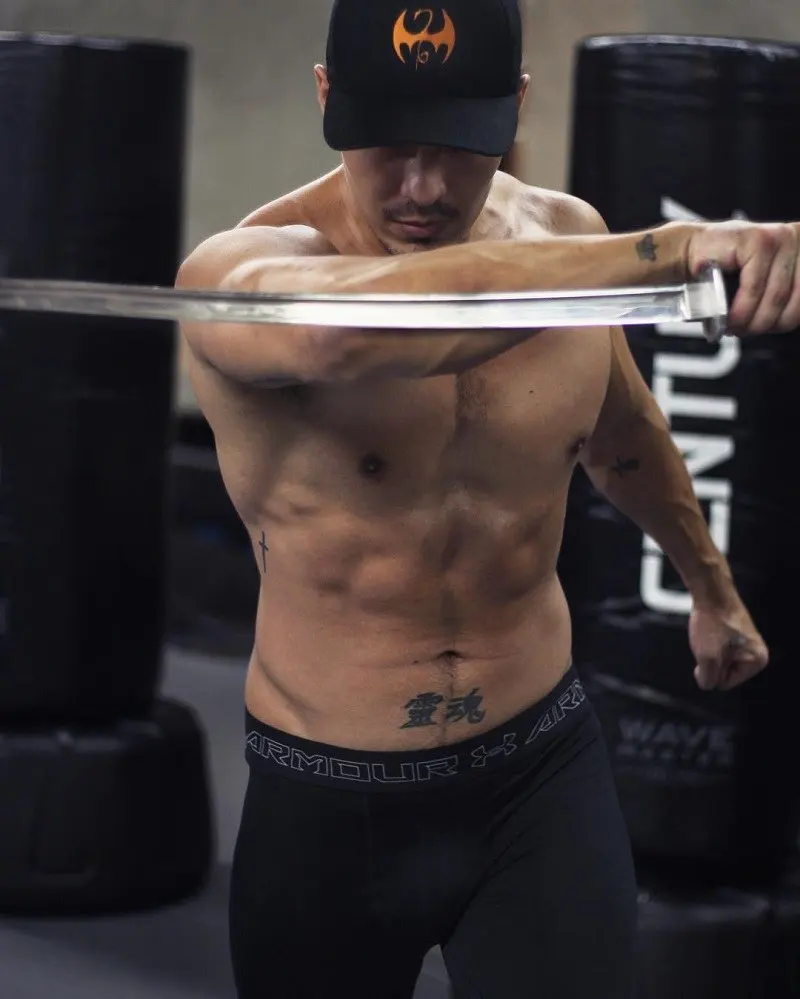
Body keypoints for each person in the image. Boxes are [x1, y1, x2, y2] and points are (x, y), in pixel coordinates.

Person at [176, 1, 798, 995]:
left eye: (458, 146)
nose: (421, 187)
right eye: (389, 143)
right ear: (327, 96)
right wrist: (670, 252)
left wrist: (711, 590)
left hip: (537, 771)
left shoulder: (570, 238)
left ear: (515, 105)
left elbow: (623, 438)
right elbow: (345, 335)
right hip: (330, 799)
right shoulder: (238, 270)